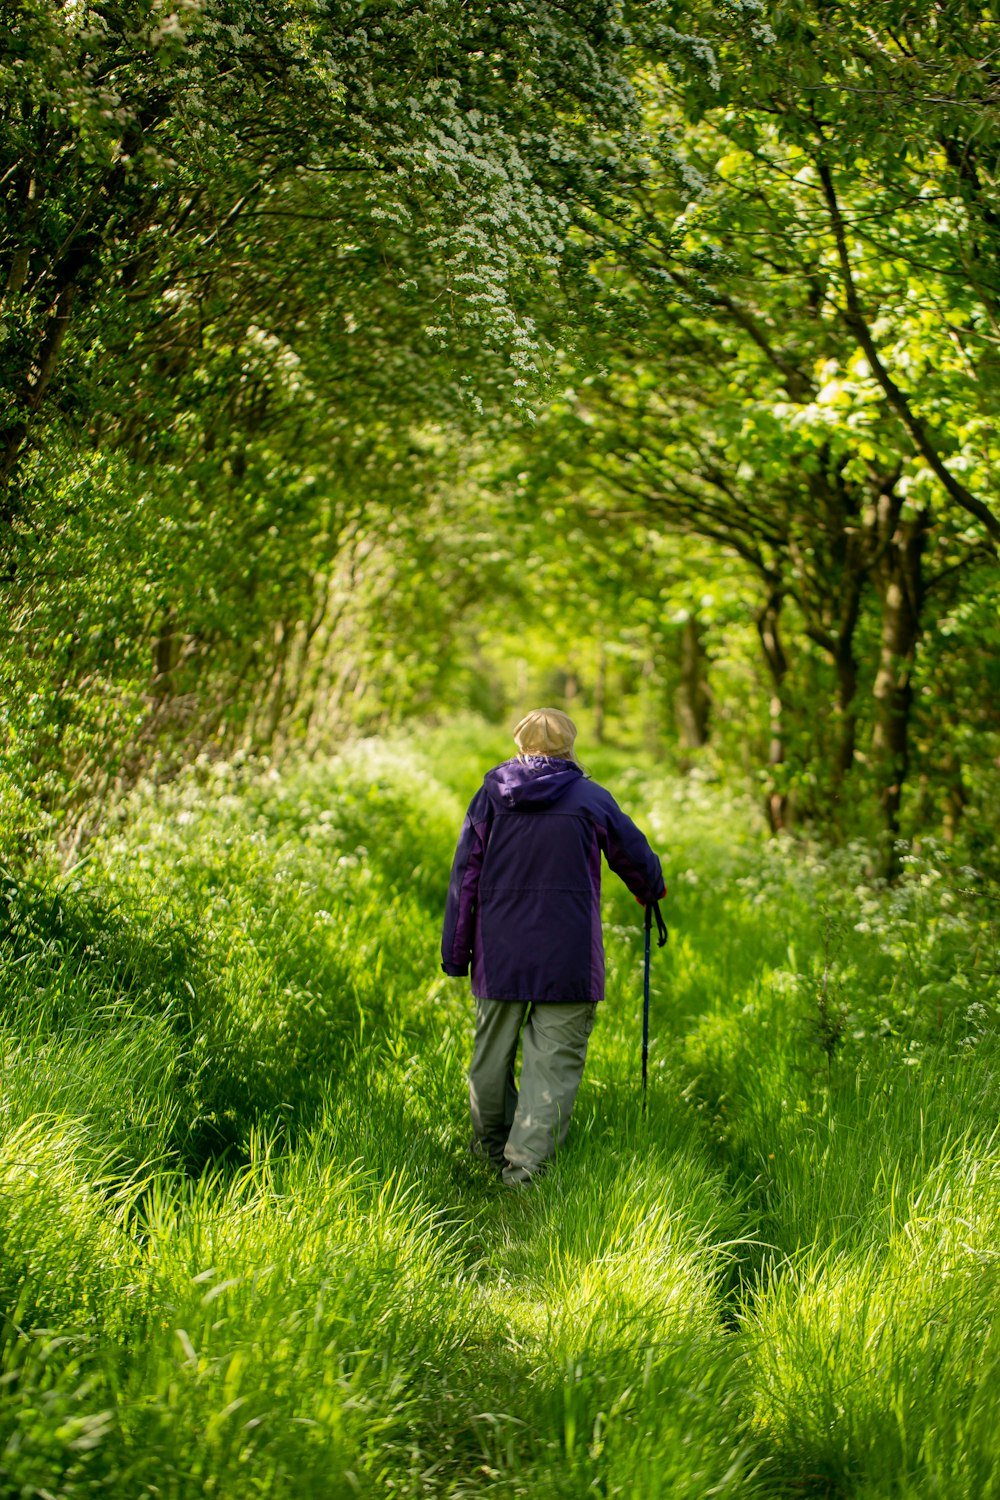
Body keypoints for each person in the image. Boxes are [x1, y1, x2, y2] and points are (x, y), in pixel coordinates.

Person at [441, 707, 665, 1186]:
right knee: (554, 1064)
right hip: (568, 956)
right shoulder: (590, 797)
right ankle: (523, 1172)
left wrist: (456, 954)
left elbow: (465, 876)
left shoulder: (489, 797)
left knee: (489, 1057)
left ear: (520, 745)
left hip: (499, 953)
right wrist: (651, 890)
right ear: (569, 746)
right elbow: (636, 855)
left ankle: (489, 1151)